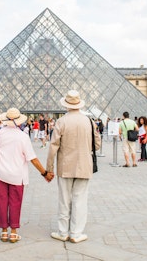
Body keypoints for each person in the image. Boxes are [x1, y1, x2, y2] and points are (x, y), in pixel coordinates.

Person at [0, 108, 52, 243]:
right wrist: (45, 173)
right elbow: (33, 159)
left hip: (0, 173)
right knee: (15, 202)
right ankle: (13, 232)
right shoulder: (23, 136)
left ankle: (3, 232)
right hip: (17, 175)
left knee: (1, 202)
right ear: (19, 121)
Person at [46, 90, 101, 243]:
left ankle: (63, 232)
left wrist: (49, 168)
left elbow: (53, 147)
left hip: (65, 166)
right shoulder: (89, 122)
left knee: (64, 199)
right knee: (80, 199)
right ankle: (76, 234)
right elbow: (97, 144)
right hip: (84, 165)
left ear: (66, 105)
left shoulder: (61, 122)